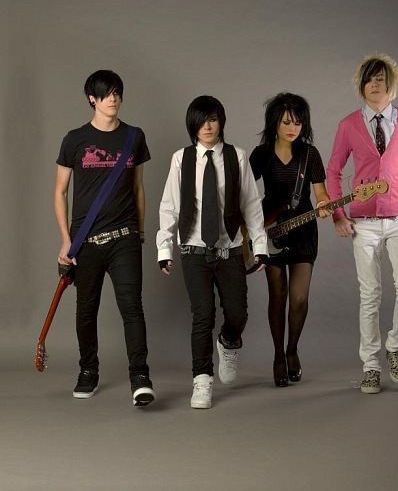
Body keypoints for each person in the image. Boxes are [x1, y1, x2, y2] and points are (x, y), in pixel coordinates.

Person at [326, 53, 398, 394]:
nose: (375, 84)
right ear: (361, 86)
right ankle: (371, 366)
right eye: (369, 79)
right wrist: (339, 215)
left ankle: (395, 347)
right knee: (370, 294)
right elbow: (333, 171)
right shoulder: (348, 125)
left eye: (381, 79)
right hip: (363, 222)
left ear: (392, 84)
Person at [157, 95, 268, 409]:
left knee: (237, 313)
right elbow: (169, 206)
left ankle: (229, 342)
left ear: (221, 122)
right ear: (192, 124)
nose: (207, 126)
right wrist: (164, 247)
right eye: (201, 121)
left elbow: (251, 205)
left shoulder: (237, 157)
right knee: (202, 314)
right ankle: (202, 380)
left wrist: (259, 246)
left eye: (213, 120)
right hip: (193, 250)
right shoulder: (181, 159)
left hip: (229, 249)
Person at [55, 70, 155, 406]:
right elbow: (60, 192)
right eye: (106, 93)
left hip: (125, 237)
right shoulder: (74, 140)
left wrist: (141, 232)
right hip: (86, 242)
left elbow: (138, 188)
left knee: (132, 307)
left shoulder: (134, 136)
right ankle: (88, 370)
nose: (113, 99)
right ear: (92, 99)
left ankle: (140, 377)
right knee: (86, 310)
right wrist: (65, 240)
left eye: (117, 93)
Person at [249, 92, 332, 387]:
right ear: (274, 122)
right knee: (278, 296)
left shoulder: (310, 154)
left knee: (298, 298)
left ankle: (292, 349)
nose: (292, 128)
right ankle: (277, 357)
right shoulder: (261, 154)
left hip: (303, 230)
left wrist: (324, 204)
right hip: (270, 229)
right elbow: (245, 194)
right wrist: (249, 229)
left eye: (297, 122)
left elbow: (321, 193)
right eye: (286, 122)